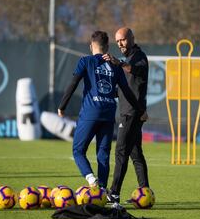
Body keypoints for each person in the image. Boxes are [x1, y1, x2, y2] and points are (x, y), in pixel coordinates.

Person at [57, 31, 147, 189]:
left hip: (90, 112)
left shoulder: (85, 61)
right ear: (107, 47)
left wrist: (62, 106)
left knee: (78, 150)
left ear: (91, 46)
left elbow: (73, 83)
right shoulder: (115, 66)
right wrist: (141, 110)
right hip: (109, 114)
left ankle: (92, 179)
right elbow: (127, 92)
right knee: (103, 155)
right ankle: (103, 191)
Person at [102, 27, 150, 206]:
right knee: (136, 153)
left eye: (122, 39)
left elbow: (136, 71)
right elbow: (124, 87)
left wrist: (119, 63)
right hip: (127, 111)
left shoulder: (139, 56)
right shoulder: (127, 59)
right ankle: (145, 192)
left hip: (132, 113)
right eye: (117, 41)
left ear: (131, 38)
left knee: (121, 151)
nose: (120, 43)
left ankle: (114, 193)